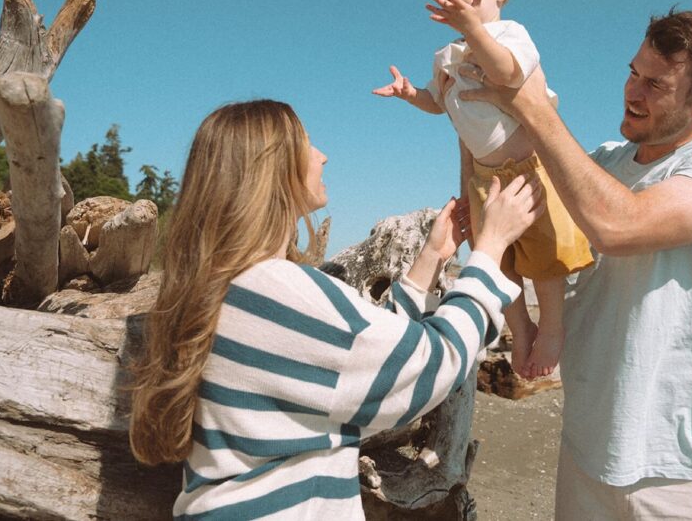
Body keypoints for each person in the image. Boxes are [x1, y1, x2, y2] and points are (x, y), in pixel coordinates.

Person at [128, 99, 542, 519]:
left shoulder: (233, 286)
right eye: (306, 144)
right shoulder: (275, 290)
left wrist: (430, 259)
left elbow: (354, 361)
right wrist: (490, 251)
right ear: (271, 169)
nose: (322, 155)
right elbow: (430, 366)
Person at [458, 9, 692, 520]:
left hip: (685, 469)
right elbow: (500, 222)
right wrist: (470, 122)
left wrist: (530, 104)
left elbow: (620, 226)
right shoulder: (601, 163)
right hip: (587, 449)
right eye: (633, 72)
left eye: (655, 84)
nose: (633, 91)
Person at [373, 0, 593, 379]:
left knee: (546, 256)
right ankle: (520, 328)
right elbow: (439, 102)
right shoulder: (447, 56)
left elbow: (508, 72)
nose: (460, 8)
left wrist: (474, 29)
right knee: (497, 259)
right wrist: (410, 93)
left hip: (529, 168)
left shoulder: (510, 35)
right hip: (485, 177)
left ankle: (552, 328)